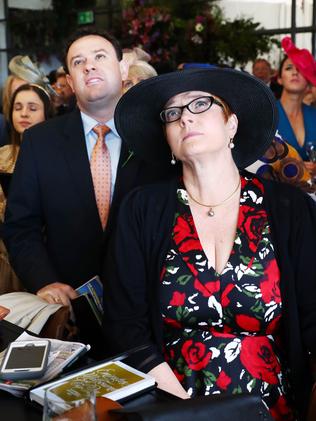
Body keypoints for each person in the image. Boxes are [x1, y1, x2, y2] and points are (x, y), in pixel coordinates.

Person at [102, 68, 316, 420]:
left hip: (269, 407)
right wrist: (182, 408)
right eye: (172, 113)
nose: (185, 117)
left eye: (200, 104)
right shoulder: (141, 209)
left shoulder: (289, 209)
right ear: (168, 137)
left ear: (232, 124)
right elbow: (125, 324)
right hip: (168, 402)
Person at [2, 28, 172, 307]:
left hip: (148, 305)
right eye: (78, 62)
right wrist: (44, 281)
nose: (89, 65)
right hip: (70, 307)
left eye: (99, 56)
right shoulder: (40, 142)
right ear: (69, 80)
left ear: (122, 68)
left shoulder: (158, 140)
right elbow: (21, 227)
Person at [0, 83, 54, 294]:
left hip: (42, 258)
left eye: (32, 108)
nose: (23, 114)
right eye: (18, 107)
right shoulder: (3, 155)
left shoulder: (55, 158)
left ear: (46, 113)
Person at [277, 37, 316, 179]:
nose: (295, 72)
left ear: (309, 81)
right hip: (275, 194)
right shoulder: (267, 114)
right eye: (288, 68)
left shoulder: (314, 115)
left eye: (300, 69)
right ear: (279, 79)